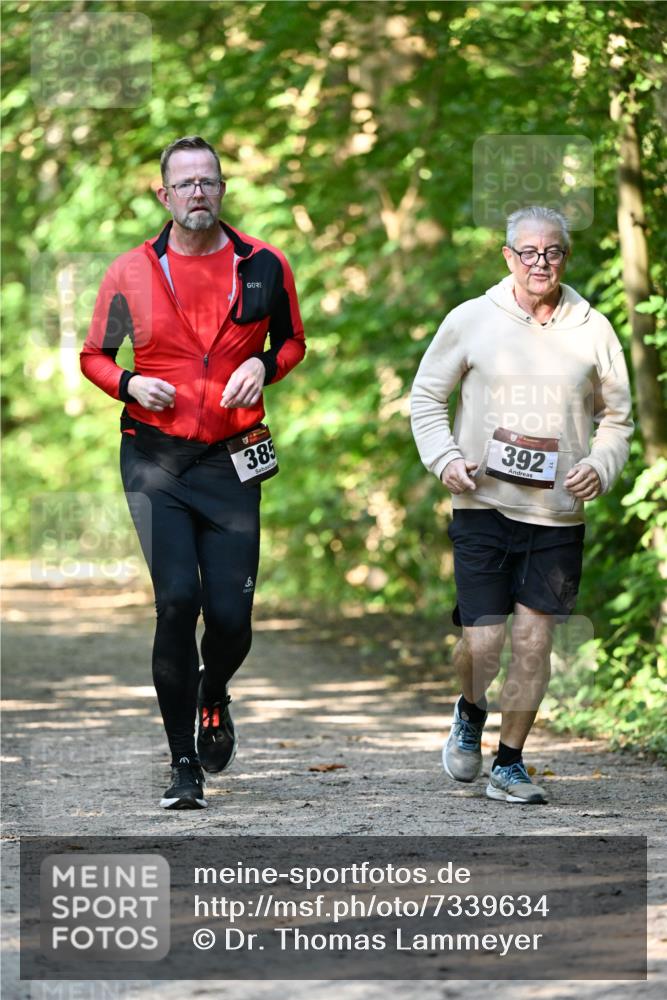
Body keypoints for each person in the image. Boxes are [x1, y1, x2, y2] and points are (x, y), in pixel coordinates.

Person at [81, 136, 306, 809]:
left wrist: (263, 366)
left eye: (207, 180)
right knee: (177, 600)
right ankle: (183, 765)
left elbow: (292, 339)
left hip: (233, 460)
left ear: (222, 188)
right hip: (155, 458)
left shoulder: (264, 264)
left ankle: (214, 693)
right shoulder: (129, 272)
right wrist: (127, 384)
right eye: (184, 184)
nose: (197, 192)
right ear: (164, 196)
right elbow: (93, 355)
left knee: (231, 617)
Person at [410, 205, 632, 804]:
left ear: (565, 256)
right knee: (483, 643)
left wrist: (600, 464)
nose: (541, 262)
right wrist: (446, 458)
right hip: (482, 503)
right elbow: (426, 398)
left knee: (533, 642)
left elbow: (617, 417)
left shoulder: (594, 328)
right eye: (529, 252)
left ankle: (510, 764)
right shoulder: (471, 320)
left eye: (553, 251)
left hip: (557, 513)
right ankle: (470, 707)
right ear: (507, 256)